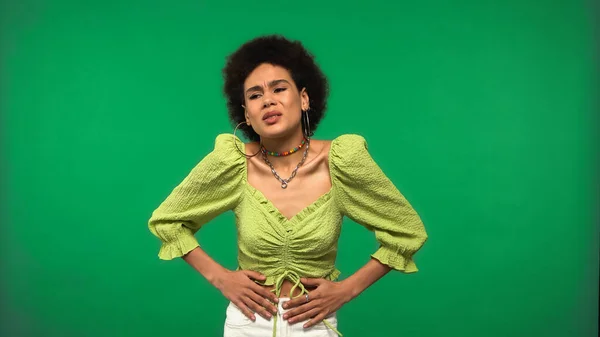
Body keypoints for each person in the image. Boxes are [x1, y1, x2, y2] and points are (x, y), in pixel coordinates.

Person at [148, 35, 428, 337]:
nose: (268, 100)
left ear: (304, 99)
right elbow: (168, 221)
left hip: (313, 326)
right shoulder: (234, 163)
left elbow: (407, 230)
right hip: (246, 324)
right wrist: (222, 278)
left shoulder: (342, 162)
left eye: (279, 89)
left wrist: (346, 289)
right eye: (255, 96)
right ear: (247, 116)